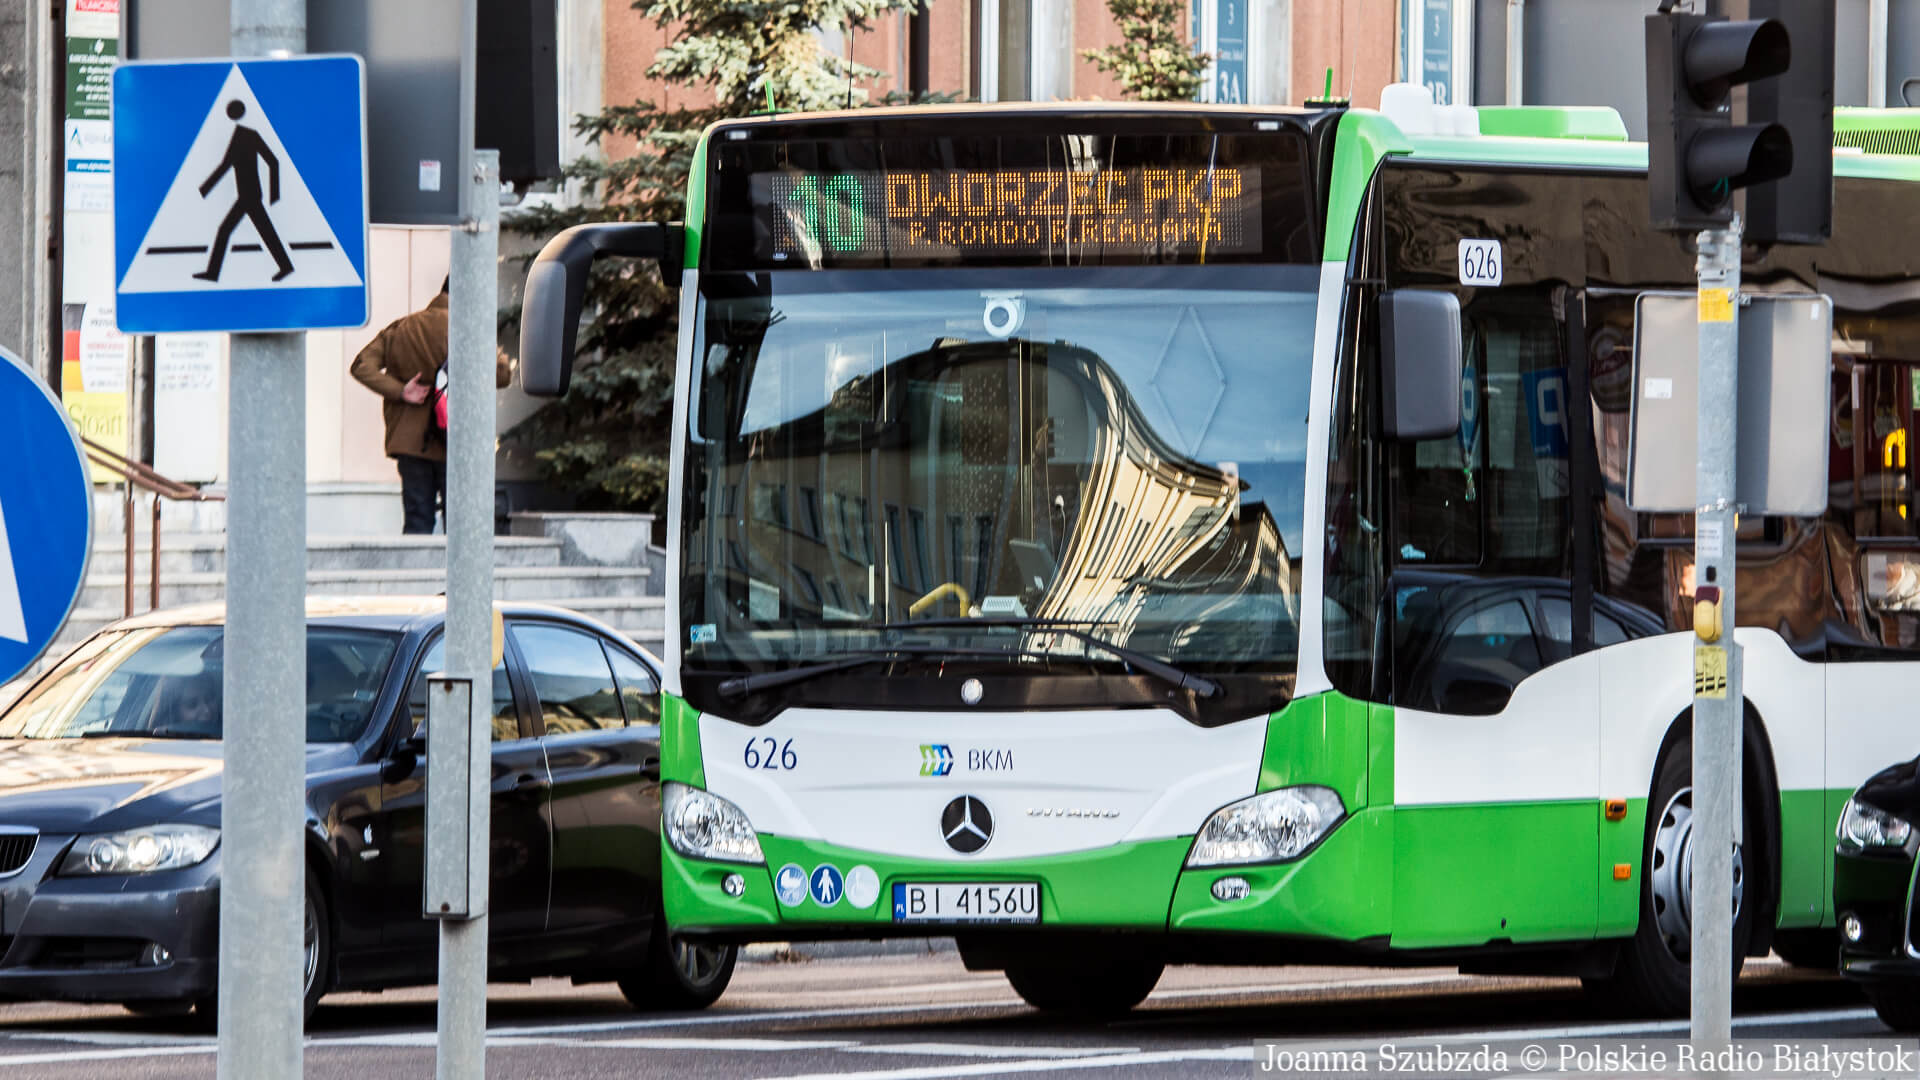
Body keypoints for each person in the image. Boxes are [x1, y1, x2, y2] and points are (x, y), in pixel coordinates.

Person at [350, 278, 512, 533]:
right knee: (461, 524)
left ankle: (417, 572)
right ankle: (457, 574)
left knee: (417, 519)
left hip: (410, 441)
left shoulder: (403, 327)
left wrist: (401, 390)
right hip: (458, 440)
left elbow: (361, 366)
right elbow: (503, 375)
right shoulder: (470, 330)